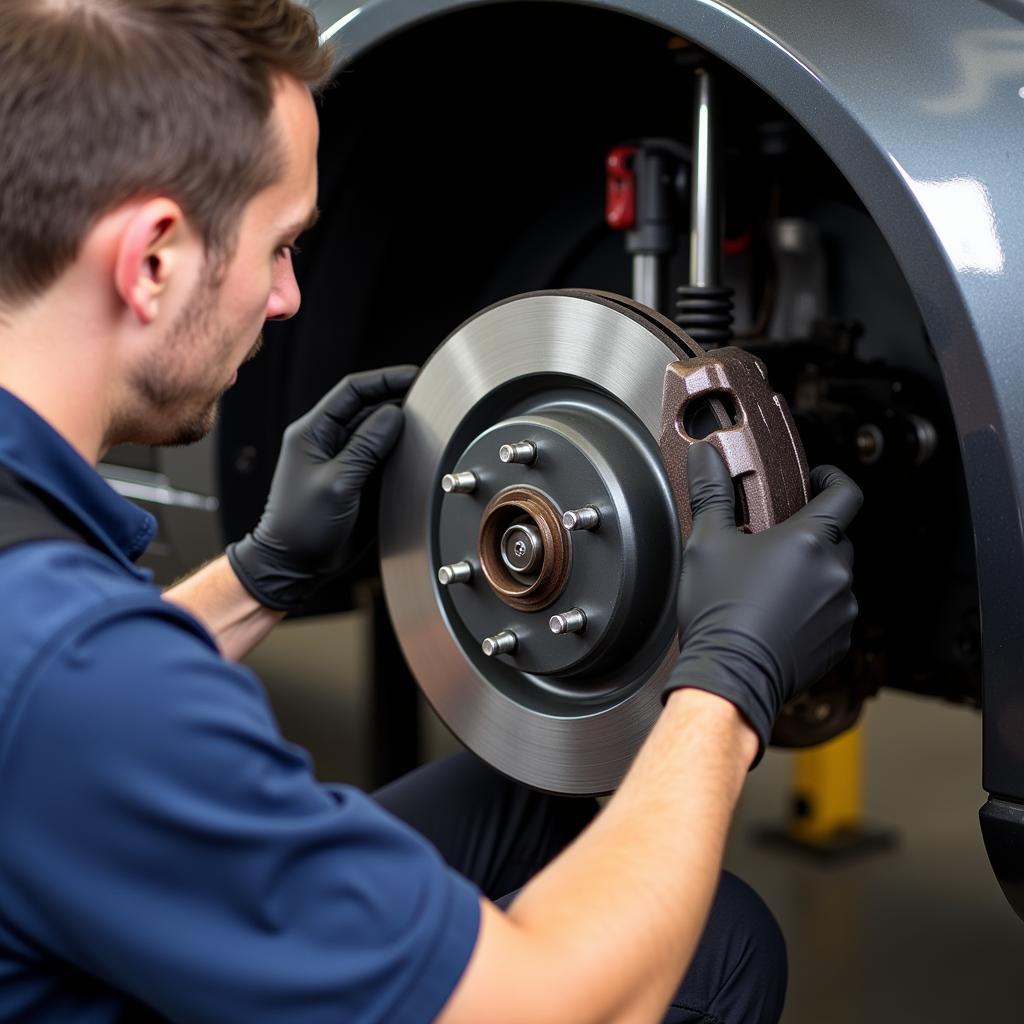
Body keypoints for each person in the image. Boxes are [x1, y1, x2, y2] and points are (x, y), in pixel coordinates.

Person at [0, 2, 862, 1022]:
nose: (288, 299)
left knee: (521, 807)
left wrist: (260, 571)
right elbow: (555, 1001)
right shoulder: (79, 672)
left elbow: (56, 726)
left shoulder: (53, 641)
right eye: (280, 249)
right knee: (712, 954)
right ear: (150, 260)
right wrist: (729, 678)